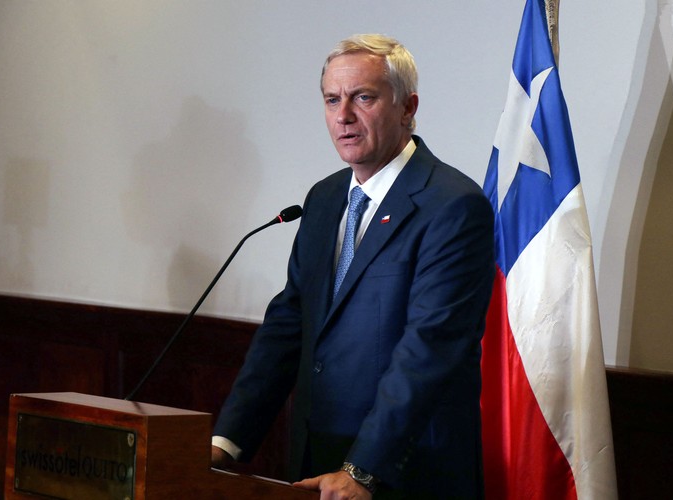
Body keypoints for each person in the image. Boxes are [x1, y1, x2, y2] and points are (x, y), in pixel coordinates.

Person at [211, 34, 494, 499]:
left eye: (363, 97)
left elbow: (430, 348)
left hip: (402, 472)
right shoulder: (324, 199)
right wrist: (227, 442)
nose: (343, 115)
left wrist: (364, 469)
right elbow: (289, 325)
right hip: (315, 459)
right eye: (331, 99)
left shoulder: (452, 205)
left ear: (407, 108)